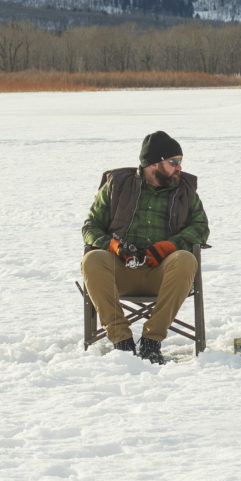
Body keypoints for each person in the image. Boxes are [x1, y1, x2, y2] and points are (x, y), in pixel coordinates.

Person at [81, 131, 209, 364]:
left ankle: (152, 341)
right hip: (120, 272)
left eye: (180, 161)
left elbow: (200, 227)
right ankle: (122, 342)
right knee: (92, 260)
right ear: (153, 163)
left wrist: (169, 246)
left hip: (164, 274)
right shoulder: (115, 185)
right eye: (174, 162)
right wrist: (113, 245)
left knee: (186, 259)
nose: (179, 168)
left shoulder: (185, 190)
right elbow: (90, 227)